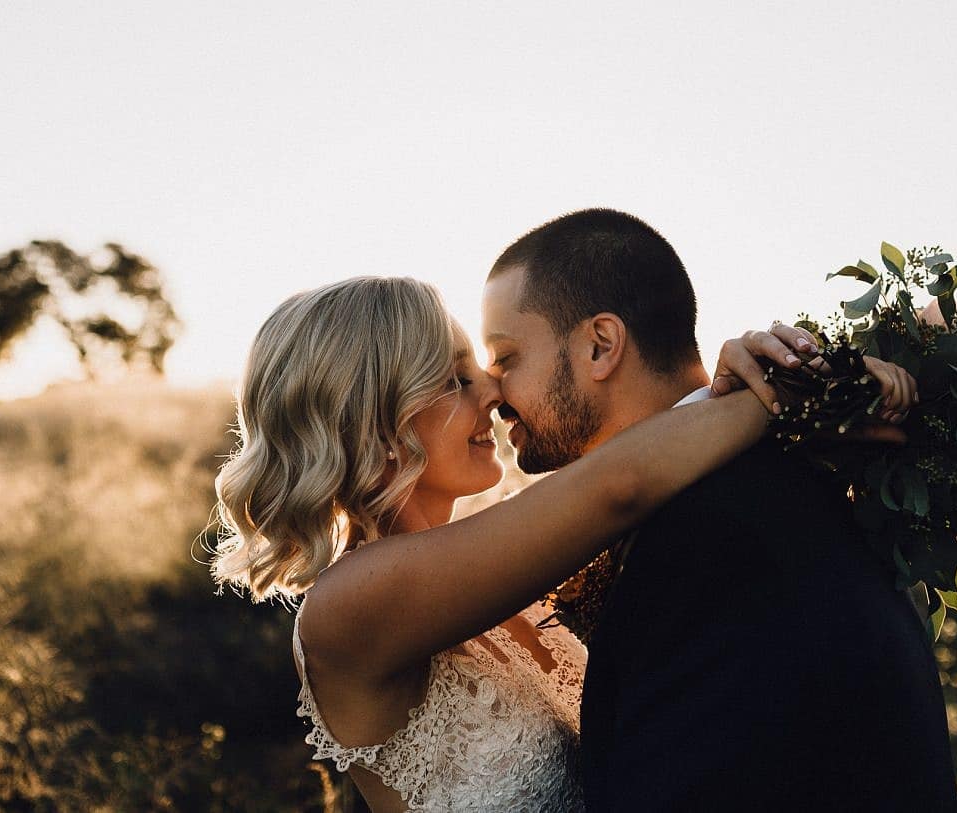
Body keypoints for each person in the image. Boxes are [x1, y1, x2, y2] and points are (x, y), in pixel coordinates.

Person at [211, 275, 827, 811]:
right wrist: (790, 391)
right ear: (374, 419)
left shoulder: (505, 561)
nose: (495, 394)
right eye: (456, 380)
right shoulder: (351, 604)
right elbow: (619, 485)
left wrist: (734, 376)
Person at [481, 208, 957, 811]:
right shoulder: (766, 480)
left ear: (600, 346)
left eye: (505, 358)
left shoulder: (711, 541)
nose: (492, 393)